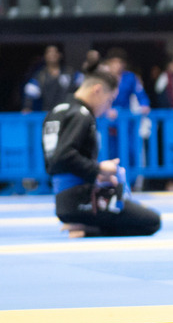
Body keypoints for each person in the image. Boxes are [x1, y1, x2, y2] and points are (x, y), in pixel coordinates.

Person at [42, 70, 161, 237]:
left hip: (63, 200)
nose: (108, 107)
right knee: (152, 221)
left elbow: (53, 160)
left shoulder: (56, 111)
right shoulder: (81, 114)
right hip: (83, 200)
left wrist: (96, 174)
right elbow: (62, 156)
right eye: (109, 100)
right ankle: (87, 228)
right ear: (97, 90)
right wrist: (98, 169)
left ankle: (83, 223)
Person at [22, 44, 74, 113]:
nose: (52, 54)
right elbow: (30, 93)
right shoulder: (40, 75)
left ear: (60, 55)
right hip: (47, 112)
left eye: (55, 52)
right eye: (49, 52)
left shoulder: (69, 72)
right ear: (45, 56)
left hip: (67, 111)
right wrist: (27, 107)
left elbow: (81, 89)